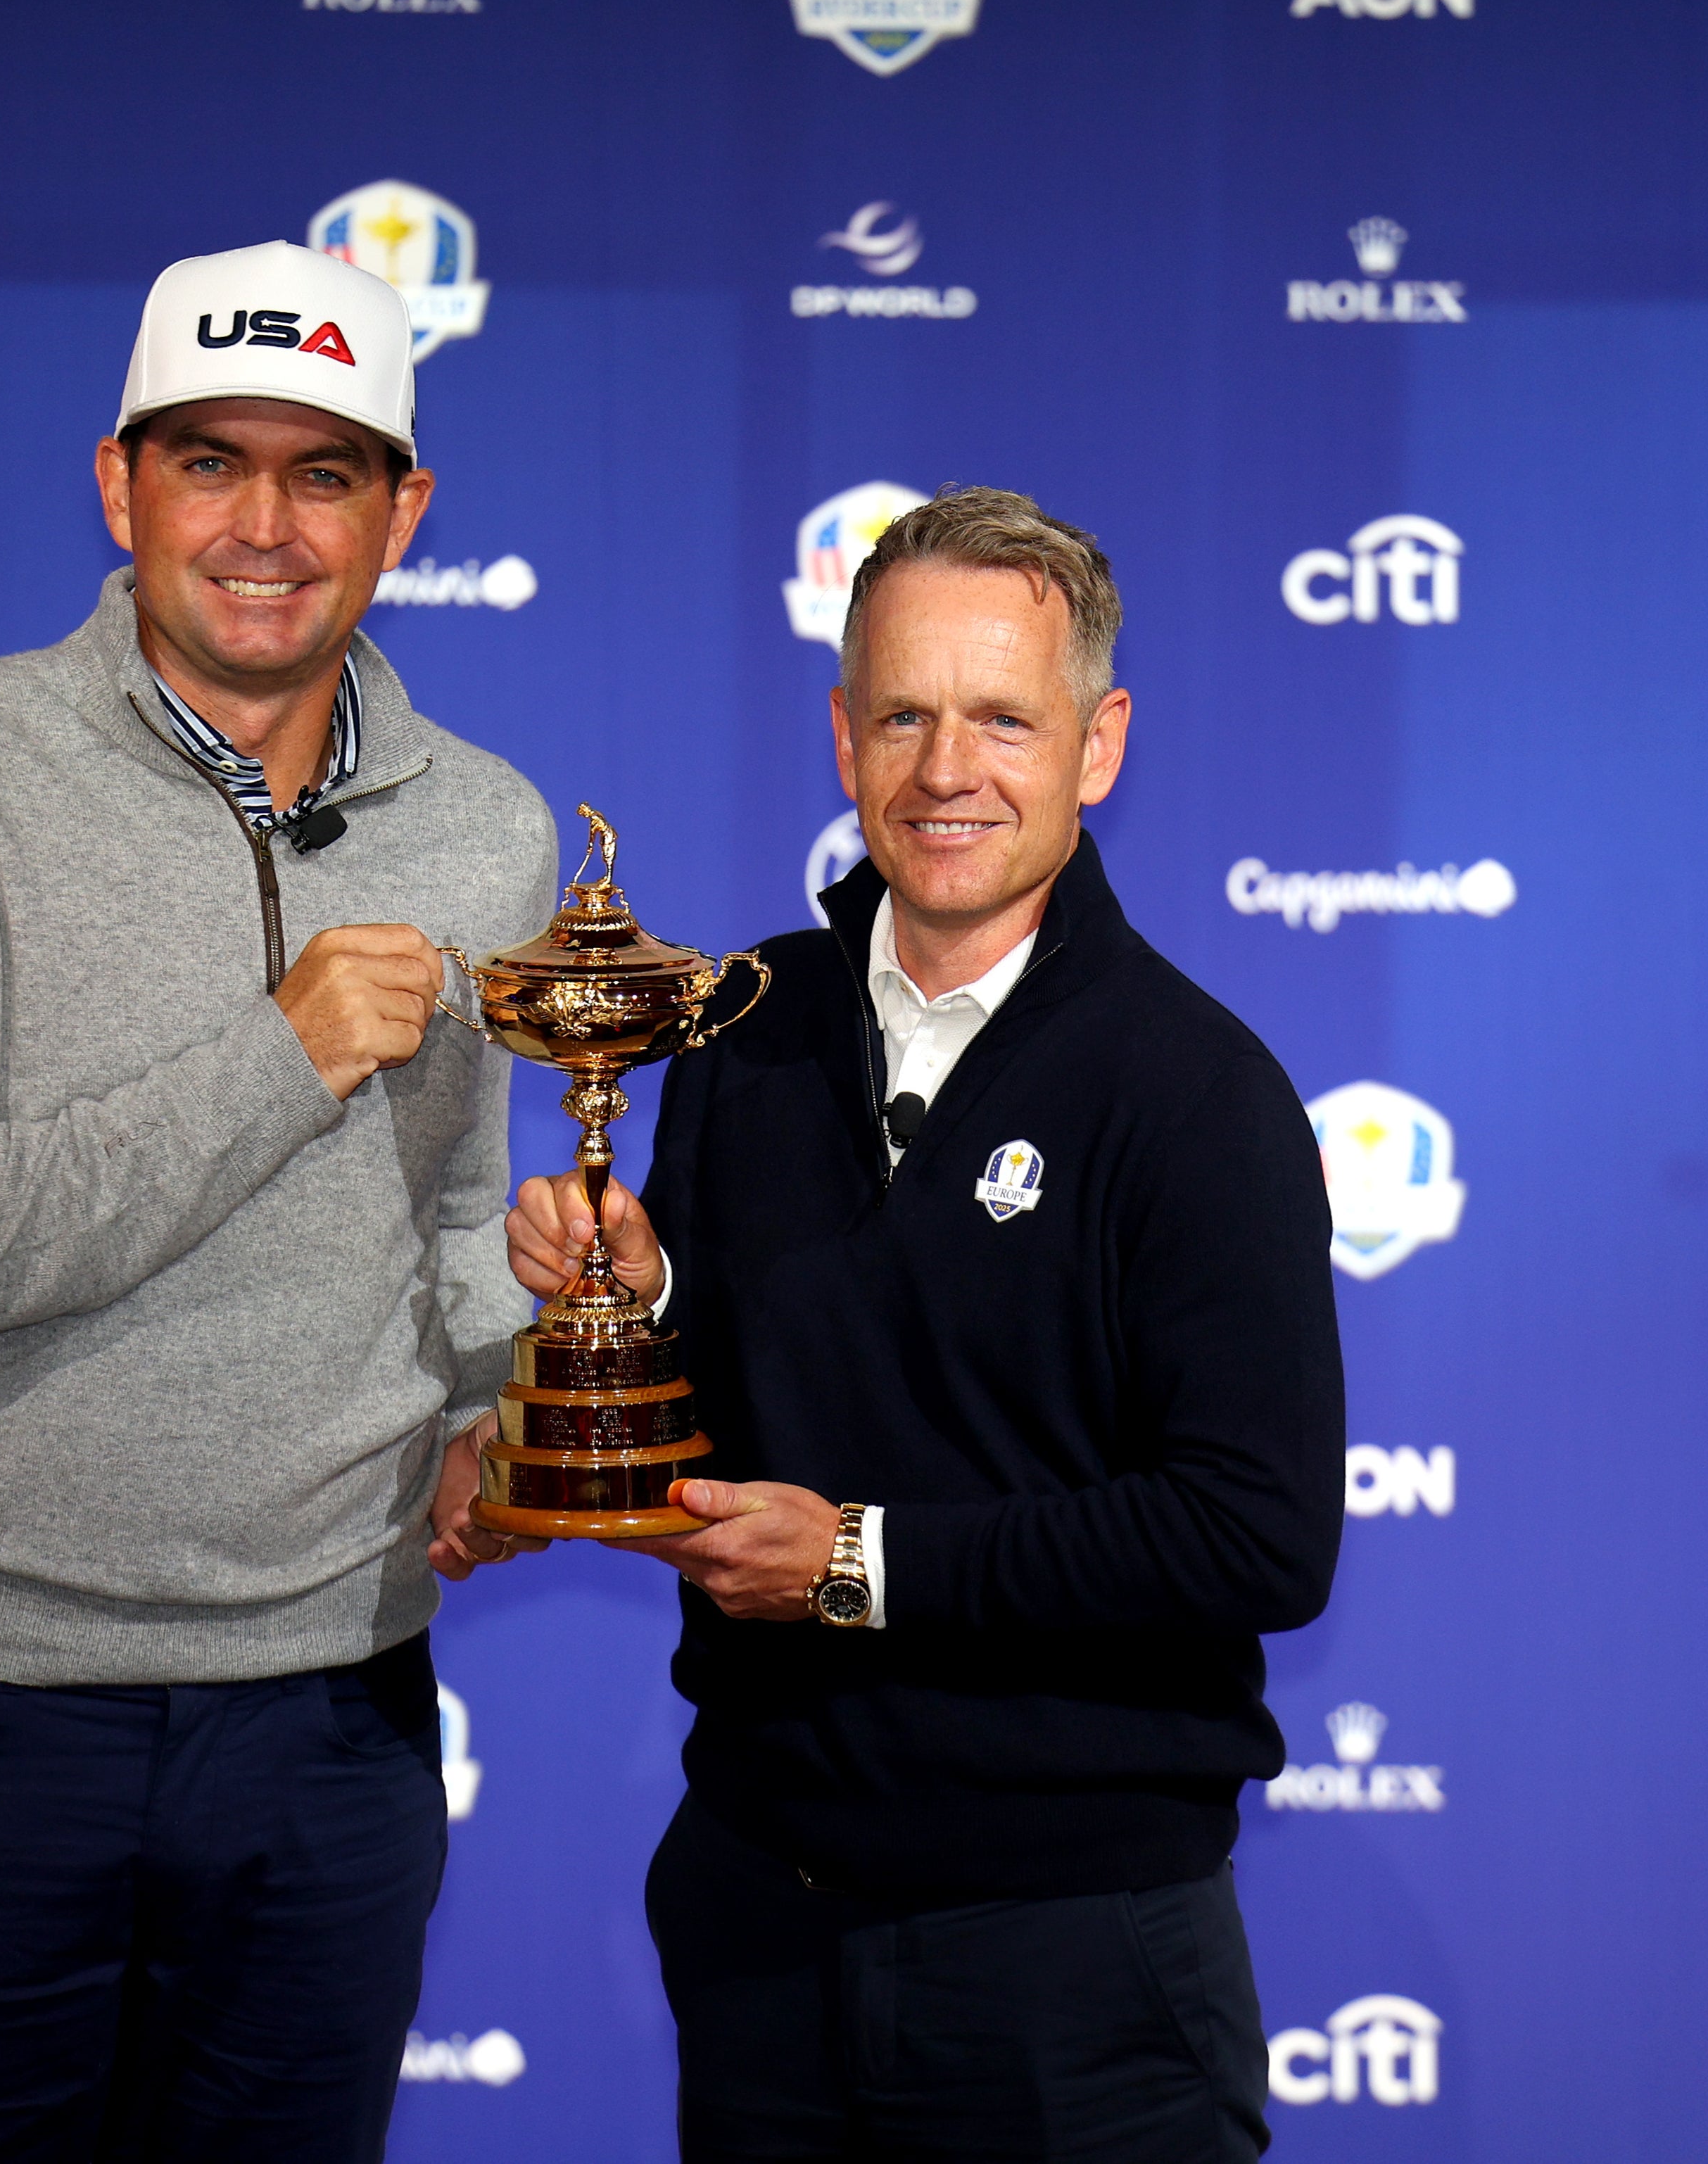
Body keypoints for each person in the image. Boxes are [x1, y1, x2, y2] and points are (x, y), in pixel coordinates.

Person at [0, 239, 556, 2163]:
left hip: (333, 1717)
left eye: (325, 471)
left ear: (406, 512)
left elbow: (455, 1216)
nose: (265, 523)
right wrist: (275, 1054)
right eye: (210, 460)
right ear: (119, 484)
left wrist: (514, 1391)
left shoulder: (495, 824)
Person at [507, 485, 1346, 2163]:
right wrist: (639, 1303)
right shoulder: (744, 1027)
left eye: (1001, 719)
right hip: (760, 1919)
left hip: (1073, 1961)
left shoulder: (1197, 1092)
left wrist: (862, 1565)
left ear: (1097, 746)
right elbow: (764, 1406)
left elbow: (1257, 1536)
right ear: (840, 733)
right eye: (903, 712)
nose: (944, 768)